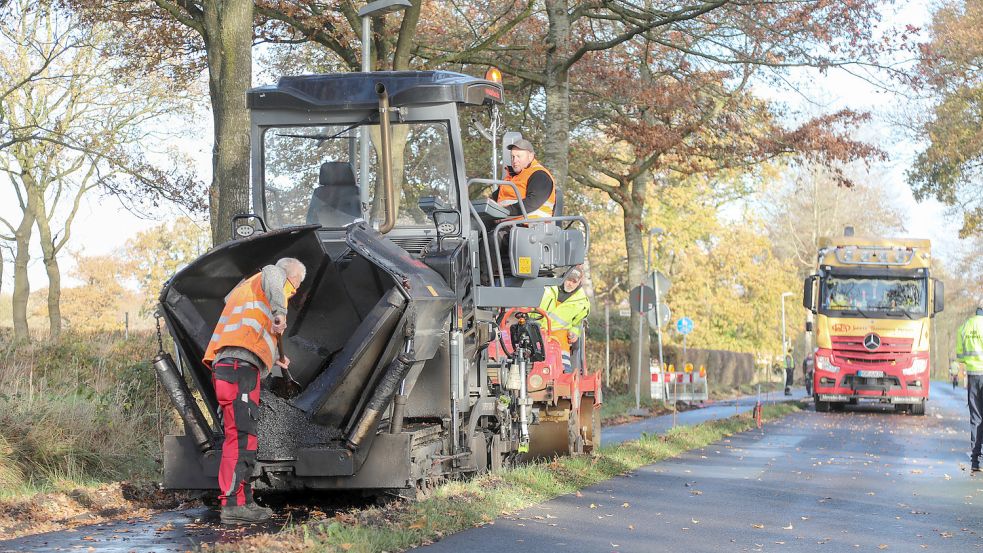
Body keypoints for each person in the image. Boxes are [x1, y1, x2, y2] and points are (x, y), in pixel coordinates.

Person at [202, 258, 307, 524]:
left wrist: (274, 360)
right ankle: (234, 505)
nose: (291, 293)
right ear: (290, 277)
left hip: (234, 368)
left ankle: (243, 500)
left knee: (241, 437)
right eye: (293, 287)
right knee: (241, 438)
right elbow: (273, 277)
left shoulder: (243, 290)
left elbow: (252, 330)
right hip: (238, 369)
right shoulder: (272, 274)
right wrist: (280, 311)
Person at [539, 266, 591, 373]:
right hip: (537, 329)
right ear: (564, 277)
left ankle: (564, 375)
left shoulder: (581, 302)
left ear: (579, 282)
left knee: (562, 365)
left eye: (574, 281)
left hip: (559, 335)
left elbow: (578, 323)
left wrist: (574, 333)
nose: (570, 284)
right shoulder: (548, 288)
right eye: (568, 279)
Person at [493, 139, 557, 219]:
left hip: (530, 226)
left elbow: (532, 203)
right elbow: (495, 198)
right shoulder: (512, 177)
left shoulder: (540, 175)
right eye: (513, 157)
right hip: (508, 224)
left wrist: (502, 212)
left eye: (519, 156)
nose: (514, 160)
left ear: (530, 156)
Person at [957, 306, 983, 472]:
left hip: (973, 376)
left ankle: (975, 461)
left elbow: (960, 355)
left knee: (976, 417)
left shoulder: (965, 326)